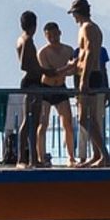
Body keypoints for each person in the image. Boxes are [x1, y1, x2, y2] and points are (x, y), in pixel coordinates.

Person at [69, 0, 110, 167]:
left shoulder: (87, 28)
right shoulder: (88, 28)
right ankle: (97, 155)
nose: (74, 18)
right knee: (89, 118)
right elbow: (82, 56)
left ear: (78, 13)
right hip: (88, 75)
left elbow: (90, 54)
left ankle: (104, 155)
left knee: (85, 118)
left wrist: (84, 80)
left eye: (74, 14)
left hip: (90, 76)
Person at [37, 21, 77, 166]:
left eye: (55, 34)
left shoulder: (68, 50)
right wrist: (68, 67)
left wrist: (70, 69)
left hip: (61, 88)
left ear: (60, 33)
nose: (53, 38)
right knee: (43, 123)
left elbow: (74, 70)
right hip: (46, 88)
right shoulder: (43, 52)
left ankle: (71, 157)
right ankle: (41, 157)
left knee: (67, 123)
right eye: (49, 36)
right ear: (46, 36)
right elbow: (49, 73)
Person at [15, 11, 44, 167]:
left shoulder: (23, 39)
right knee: (30, 120)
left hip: (34, 80)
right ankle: (25, 158)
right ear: (34, 25)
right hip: (32, 82)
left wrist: (45, 70)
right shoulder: (27, 40)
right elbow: (25, 65)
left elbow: (32, 64)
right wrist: (42, 70)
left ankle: (32, 158)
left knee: (33, 121)